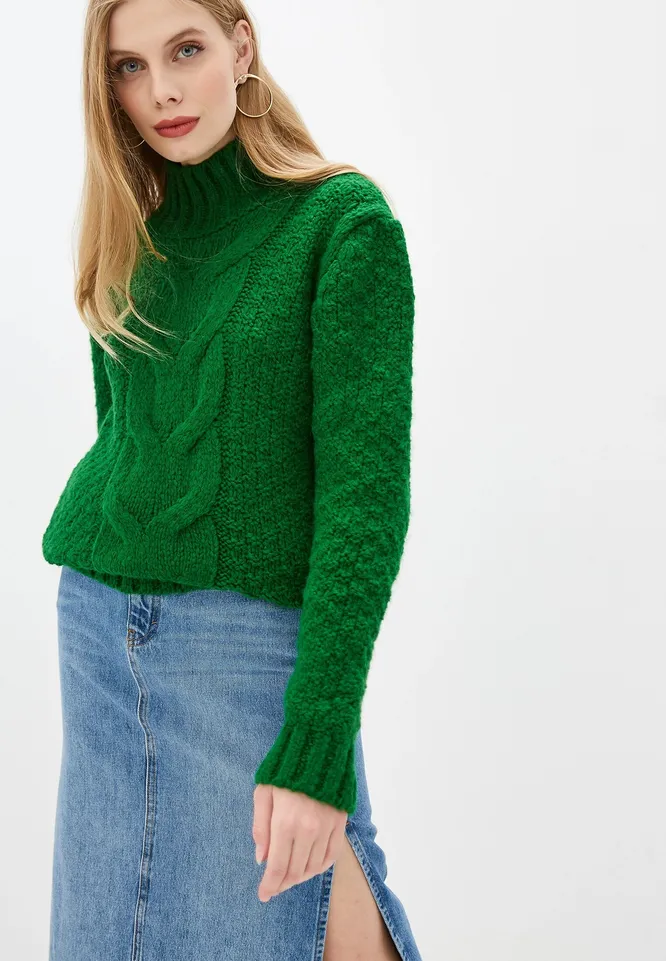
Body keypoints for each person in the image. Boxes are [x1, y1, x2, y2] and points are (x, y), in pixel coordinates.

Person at [42, 0, 422, 958]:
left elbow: (365, 501)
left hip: (246, 645)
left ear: (240, 46)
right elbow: (126, 439)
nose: (161, 91)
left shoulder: (342, 225)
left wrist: (320, 733)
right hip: (97, 634)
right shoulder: (134, 231)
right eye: (128, 67)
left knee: (312, 916)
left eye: (186, 50)